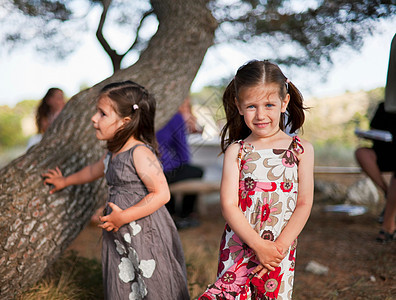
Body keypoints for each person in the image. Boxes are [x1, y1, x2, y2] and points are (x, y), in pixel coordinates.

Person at [42, 81, 190, 299]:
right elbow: (93, 170)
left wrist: (124, 217)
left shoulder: (139, 153)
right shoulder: (113, 153)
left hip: (144, 230)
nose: (94, 119)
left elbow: (161, 194)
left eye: (102, 114)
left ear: (125, 122)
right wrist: (65, 181)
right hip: (121, 231)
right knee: (126, 279)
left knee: (152, 280)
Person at [199, 60, 314, 299]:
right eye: (251, 106)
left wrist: (276, 249)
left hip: (278, 251)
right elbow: (228, 204)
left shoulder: (301, 149)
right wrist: (258, 245)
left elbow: (304, 203)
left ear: (284, 102)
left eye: (269, 104)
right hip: (240, 244)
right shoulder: (237, 151)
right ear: (239, 106)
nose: (261, 115)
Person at [156, 97, 204, 229]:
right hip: (165, 169)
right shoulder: (176, 117)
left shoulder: (156, 116)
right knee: (197, 171)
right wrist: (184, 164)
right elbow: (182, 149)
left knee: (170, 176)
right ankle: (185, 214)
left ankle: (171, 214)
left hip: (151, 169)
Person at [354, 101, 396, 223]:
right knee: (361, 153)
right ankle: (389, 194)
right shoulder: (384, 106)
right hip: (383, 152)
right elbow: (373, 129)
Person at [377, 33, 396, 243]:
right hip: (385, 148)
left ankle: (388, 224)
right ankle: (389, 198)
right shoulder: (385, 107)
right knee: (363, 153)